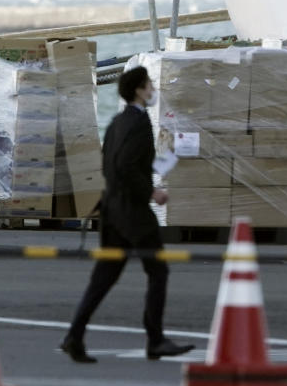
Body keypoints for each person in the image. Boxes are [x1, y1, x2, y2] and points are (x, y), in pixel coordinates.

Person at [61, 67, 194, 363]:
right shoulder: (138, 123)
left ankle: (74, 336)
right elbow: (126, 166)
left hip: (112, 208)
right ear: (139, 90)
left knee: (105, 276)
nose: (152, 89)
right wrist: (152, 192)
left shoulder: (117, 122)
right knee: (158, 270)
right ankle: (156, 340)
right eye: (149, 85)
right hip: (132, 211)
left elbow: (111, 163)